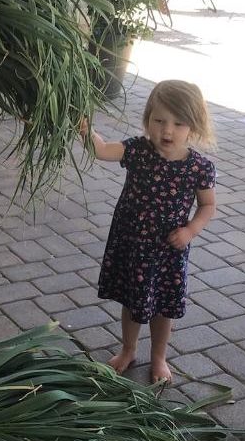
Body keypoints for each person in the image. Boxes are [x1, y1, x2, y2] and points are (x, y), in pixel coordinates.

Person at [81, 80, 217, 383]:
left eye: (178, 123)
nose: (167, 131)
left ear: (194, 126)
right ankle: (128, 350)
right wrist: (84, 128)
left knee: (162, 306)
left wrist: (190, 231)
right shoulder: (138, 150)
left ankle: (159, 357)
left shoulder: (198, 167)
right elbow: (101, 150)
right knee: (132, 301)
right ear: (147, 120)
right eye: (159, 121)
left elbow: (207, 206)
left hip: (168, 249)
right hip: (132, 243)